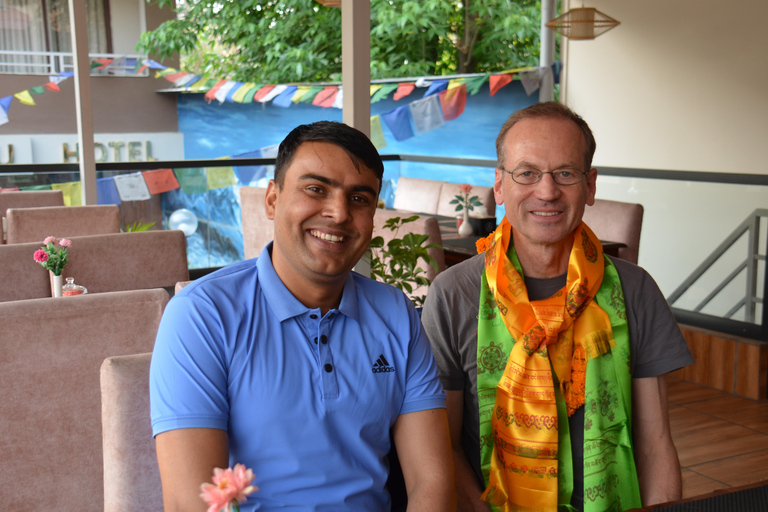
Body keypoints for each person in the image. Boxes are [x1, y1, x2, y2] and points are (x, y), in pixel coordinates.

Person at [150, 121, 456, 512]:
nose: (339, 213)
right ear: (273, 199)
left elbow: (431, 482)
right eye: (316, 189)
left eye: (360, 199)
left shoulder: (396, 313)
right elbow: (189, 502)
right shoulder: (203, 315)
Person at [421, 102, 694, 512]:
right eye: (527, 173)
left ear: (590, 185)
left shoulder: (633, 290)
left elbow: (655, 444)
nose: (546, 191)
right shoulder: (454, 294)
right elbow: (443, 448)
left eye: (565, 173)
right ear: (499, 185)